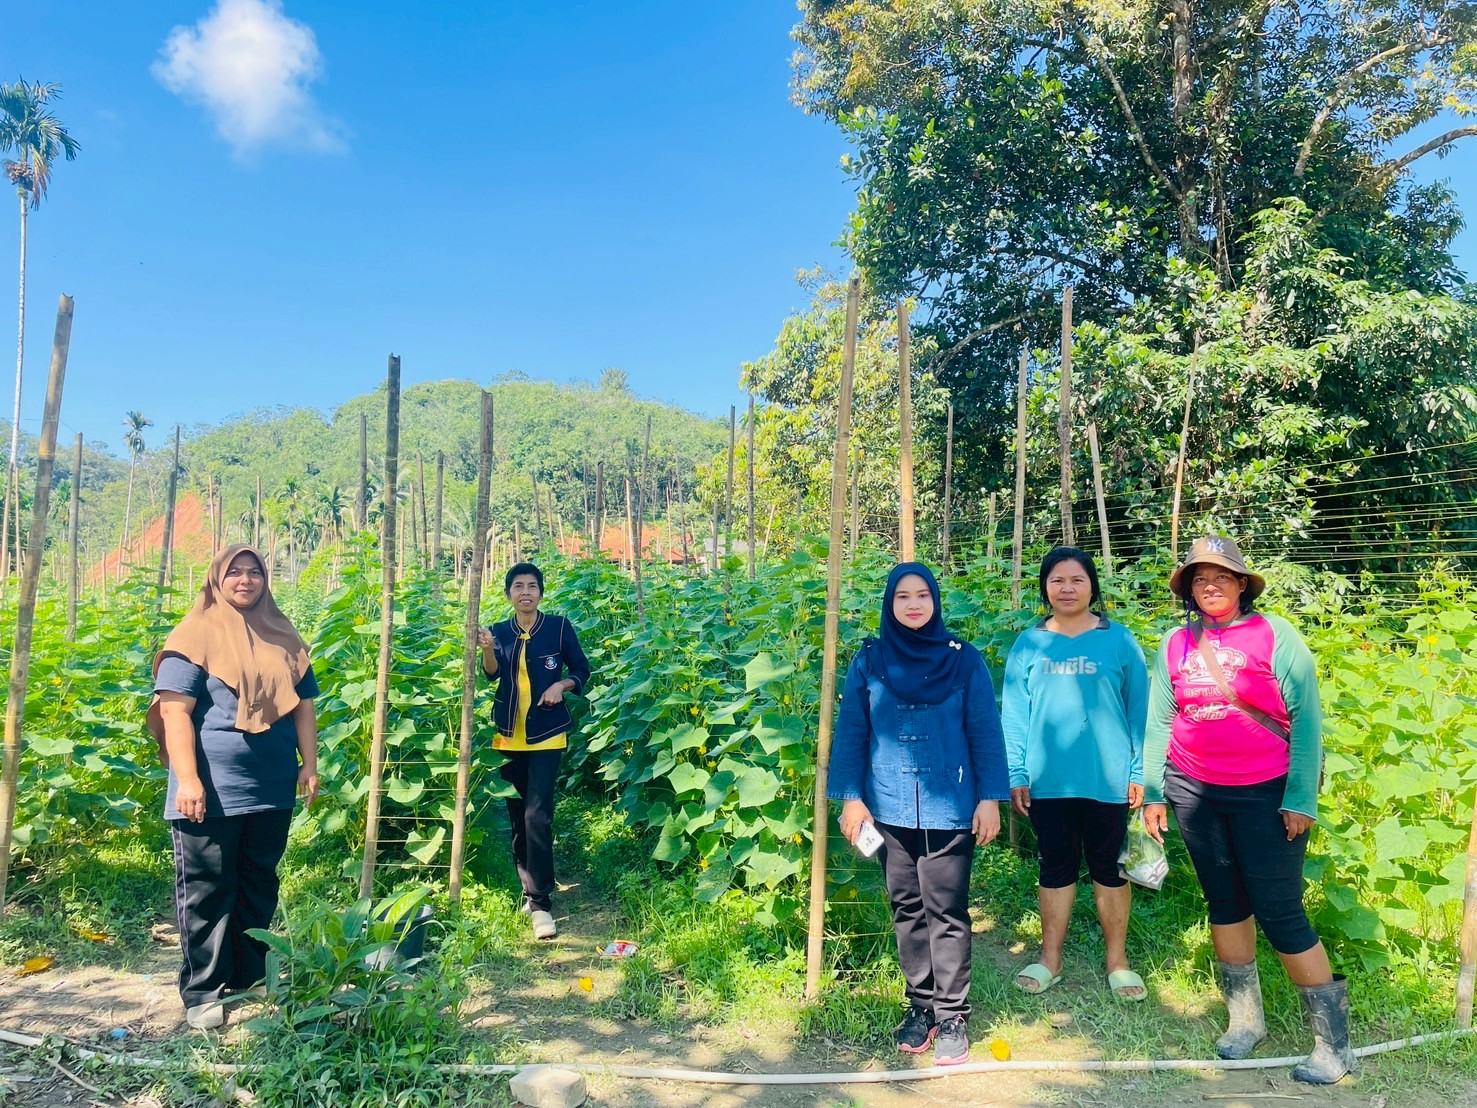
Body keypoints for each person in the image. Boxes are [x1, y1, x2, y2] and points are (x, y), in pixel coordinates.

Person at [1142, 536, 1351, 1084]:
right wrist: (1154, 791)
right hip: (1194, 790)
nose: (1210, 586)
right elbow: (1160, 720)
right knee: (1225, 901)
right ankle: (1245, 1021)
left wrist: (1301, 796)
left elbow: (1306, 719)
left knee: (1280, 910)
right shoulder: (1174, 643)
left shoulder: (1275, 635)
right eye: (1198, 579)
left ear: (1241, 585)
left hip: (1267, 791)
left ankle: (1334, 1046)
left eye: (1221, 577)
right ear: (1188, 590)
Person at [829, 562, 1009, 1067]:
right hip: (886, 806)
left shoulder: (963, 660)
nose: (913, 605)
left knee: (946, 910)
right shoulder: (869, 660)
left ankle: (952, 1014)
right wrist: (851, 797)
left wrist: (989, 797)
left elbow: (984, 731)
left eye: (922, 596)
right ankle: (920, 1007)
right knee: (907, 906)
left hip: (950, 804)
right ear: (889, 604)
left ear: (935, 602)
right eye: (903, 596)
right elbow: (852, 733)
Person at [147, 545, 319, 1031]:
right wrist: (188, 779)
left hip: (270, 783)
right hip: (211, 787)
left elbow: (304, 704)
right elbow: (174, 711)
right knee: (207, 887)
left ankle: (249, 974)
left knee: (259, 878)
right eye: (235, 573)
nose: (246, 580)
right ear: (217, 579)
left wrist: (309, 765)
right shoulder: (195, 633)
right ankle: (203, 990)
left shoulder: (283, 635)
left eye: (255, 572)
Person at [1003, 547, 1149, 1001]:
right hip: (1048, 781)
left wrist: (1139, 769)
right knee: (1055, 868)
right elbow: (1014, 714)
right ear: (1045, 588)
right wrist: (1017, 772)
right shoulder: (1029, 644)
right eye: (1057, 581)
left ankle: (1118, 962)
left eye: (1077, 580)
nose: (1067, 588)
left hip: (1108, 778)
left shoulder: (1119, 640)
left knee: (1111, 870)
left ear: (1092, 587)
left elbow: (1140, 710)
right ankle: (1050, 959)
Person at [476, 562, 590, 941]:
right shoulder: (498, 632)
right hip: (508, 735)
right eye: (518, 586)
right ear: (508, 594)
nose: (526, 592)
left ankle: (541, 904)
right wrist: (489, 649)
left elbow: (582, 669)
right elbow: (491, 674)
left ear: (540, 592)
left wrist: (563, 685)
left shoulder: (558, 627)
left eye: (532, 586)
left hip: (547, 734)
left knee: (537, 816)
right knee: (516, 816)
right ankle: (531, 885)